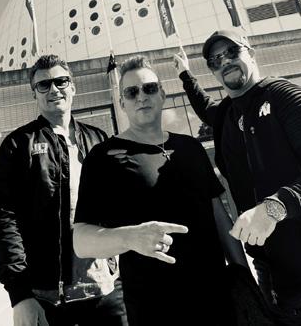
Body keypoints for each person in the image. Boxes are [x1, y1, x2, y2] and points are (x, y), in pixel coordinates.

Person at [173, 28, 301, 325]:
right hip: (272, 284)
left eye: (232, 52)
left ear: (250, 53)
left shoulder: (285, 96)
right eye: (215, 60)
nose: (225, 62)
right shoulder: (226, 115)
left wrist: (273, 207)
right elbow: (204, 106)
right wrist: (185, 75)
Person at [73, 55, 248, 326]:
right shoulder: (103, 157)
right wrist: (130, 238)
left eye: (149, 88)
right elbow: (81, 241)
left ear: (162, 94)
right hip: (154, 308)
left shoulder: (191, 147)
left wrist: (244, 278)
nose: (141, 96)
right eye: (131, 92)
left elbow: (219, 217)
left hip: (217, 301)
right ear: (122, 103)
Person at [0, 54, 127, 326]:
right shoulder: (17, 146)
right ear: (34, 94)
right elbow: (3, 220)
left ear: (72, 87)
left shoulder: (97, 139)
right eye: (44, 84)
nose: (54, 89)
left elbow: (118, 207)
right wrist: (20, 296)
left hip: (107, 289)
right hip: (49, 298)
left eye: (61, 81)